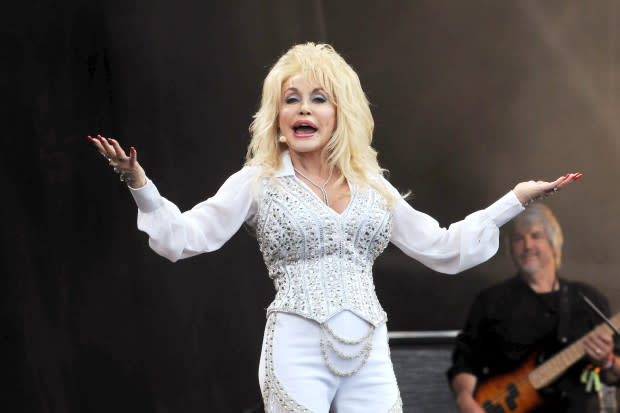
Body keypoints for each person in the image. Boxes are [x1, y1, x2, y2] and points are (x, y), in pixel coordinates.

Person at [88, 43, 581, 413]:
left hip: (369, 351)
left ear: (339, 113)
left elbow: (445, 248)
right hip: (295, 349)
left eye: (319, 98)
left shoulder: (373, 187)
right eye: (292, 99)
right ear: (278, 118)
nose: (304, 108)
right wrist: (140, 183)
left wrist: (514, 200)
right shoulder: (257, 182)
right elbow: (182, 238)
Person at [447, 203, 620, 413]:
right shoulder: (491, 301)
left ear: (554, 244)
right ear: (510, 249)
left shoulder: (588, 299)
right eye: (519, 238)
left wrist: (607, 362)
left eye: (536, 235)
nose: (527, 244)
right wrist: (465, 401)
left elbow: (614, 375)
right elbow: (465, 363)